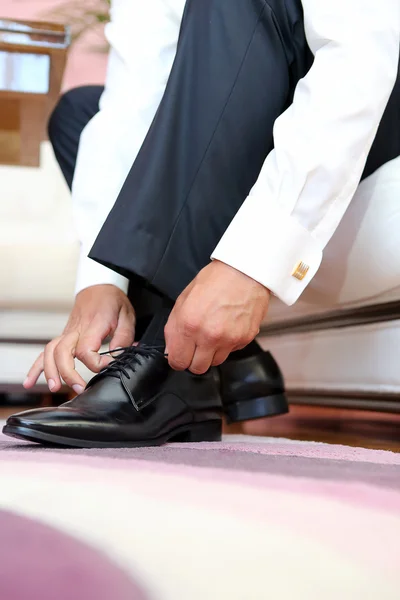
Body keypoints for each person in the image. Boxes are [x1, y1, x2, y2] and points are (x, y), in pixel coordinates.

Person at [3, 0, 399, 447]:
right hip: (257, 108)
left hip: (373, 109)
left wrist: (251, 263)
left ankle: (166, 369)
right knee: (78, 112)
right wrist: (101, 281)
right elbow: (132, 103)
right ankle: (194, 364)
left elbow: (358, 54)